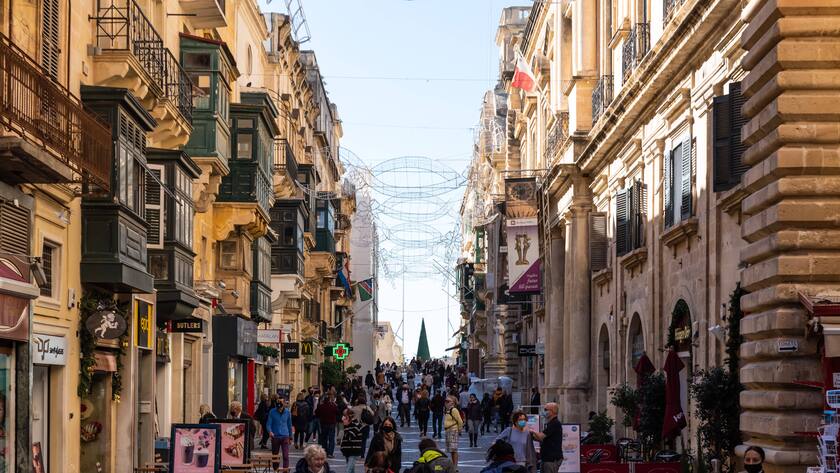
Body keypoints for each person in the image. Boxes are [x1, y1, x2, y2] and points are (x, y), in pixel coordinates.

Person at [531, 403, 563, 473]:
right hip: (546, 458)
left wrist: (530, 430)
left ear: (553, 411)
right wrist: (531, 436)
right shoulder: (550, 423)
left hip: (551, 459)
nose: (543, 411)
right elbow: (541, 438)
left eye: (545, 409)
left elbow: (540, 437)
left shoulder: (554, 423)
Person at [267, 397, 294, 471]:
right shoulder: (272, 412)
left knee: (285, 456)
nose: (279, 409)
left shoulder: (288, 412)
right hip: (275, 436)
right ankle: (275, 470)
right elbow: (268, 424)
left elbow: (289, 425)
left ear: (284, 405)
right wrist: (270, 431)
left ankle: (285, 470)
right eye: (278, 408)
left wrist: (290, 437)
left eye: (281, 407)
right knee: (275, 456)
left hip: (285, 436)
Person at [340, 409, 364, 473]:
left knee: (348, 469)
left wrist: (345, 425)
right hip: (347, 450)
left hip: (353, 450)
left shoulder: (356, 425)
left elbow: (349, 437)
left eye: (345, 416)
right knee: (351, 469)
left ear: (349, 416)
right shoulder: (347, 424)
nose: (343, 417)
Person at [443, 396, 464, 469]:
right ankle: (454, 465)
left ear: (453, 402)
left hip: (453, 430)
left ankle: (455, 466)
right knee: (451, 449)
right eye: (445, 401)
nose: (446, 403)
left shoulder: (454, 410)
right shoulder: (447, 410)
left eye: (448, 401)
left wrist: (459, 430)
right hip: (448, 431)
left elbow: (460, 421)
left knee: (454, 449)